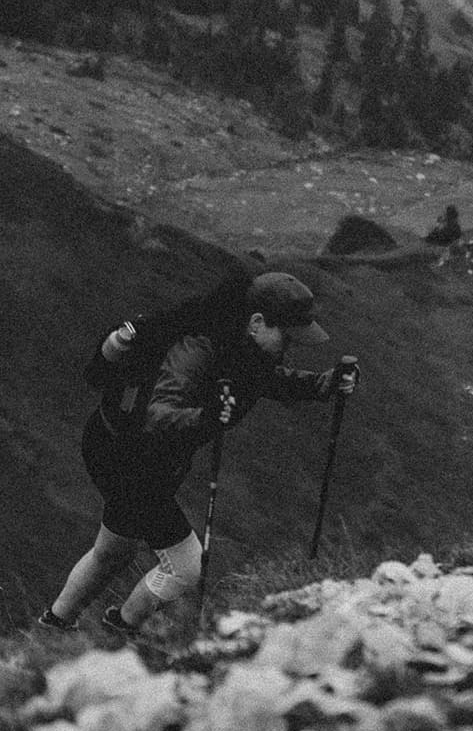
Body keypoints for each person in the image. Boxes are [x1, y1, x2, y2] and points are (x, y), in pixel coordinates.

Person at [38, 272, 357, 635]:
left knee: (113, 551)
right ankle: (120, 631)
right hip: (129, 460)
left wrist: (324, 384)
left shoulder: (241, 346)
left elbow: (266, 379)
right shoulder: (198, 349)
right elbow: (158, 415)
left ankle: (56, 623)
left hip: (121, 449)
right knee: (185, 567)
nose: (290, 346)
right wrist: (207, 418)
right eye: (286, 336)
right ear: (256, 323)